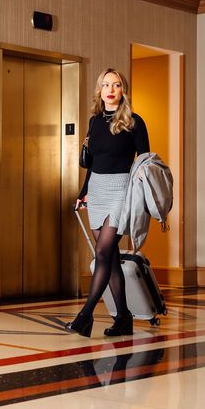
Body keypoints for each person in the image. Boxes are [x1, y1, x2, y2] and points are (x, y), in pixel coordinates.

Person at [65, 68, 149, 337]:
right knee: (110, 259)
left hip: (122, 190)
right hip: (98, 189)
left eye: (116, 85)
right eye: (106, 85)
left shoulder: (135, 122)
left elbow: (145, 164)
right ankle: (123, 318)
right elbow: (92, 164)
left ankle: (86, 315)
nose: (111, 89)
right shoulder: (94, 122)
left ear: (123, 90)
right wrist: (84, 192)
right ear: (99, 91)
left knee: (102, 253)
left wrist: (142, 198)